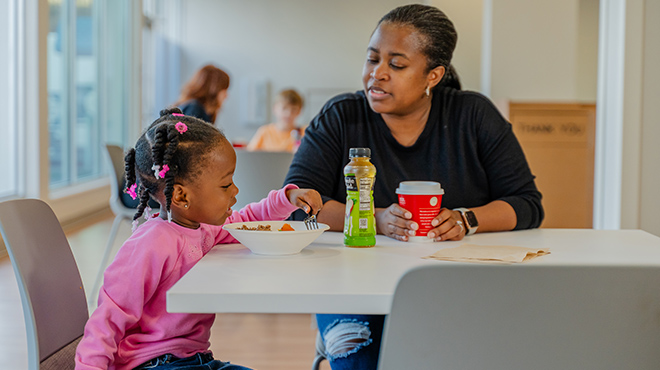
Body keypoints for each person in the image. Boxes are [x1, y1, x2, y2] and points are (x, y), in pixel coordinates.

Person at [283, 4, 543, 370]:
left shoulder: (473, 116)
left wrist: (466, 220)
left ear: (433, 75)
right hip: (352, 290)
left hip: (456, 289)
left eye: (397, 65)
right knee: (363, 361)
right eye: (372, 59)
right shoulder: (341, 116)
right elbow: (298, 205)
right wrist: (374, 219)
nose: (377, 74)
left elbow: (527, 204)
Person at [75, 108, 322, 370]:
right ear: (181, 196)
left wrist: (285, 200)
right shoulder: (151, 243)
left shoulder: (204, 228)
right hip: (153, 364)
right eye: (226, 185)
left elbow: (246, 222)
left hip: (195, 360)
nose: (236, 191)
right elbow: (108, 318)